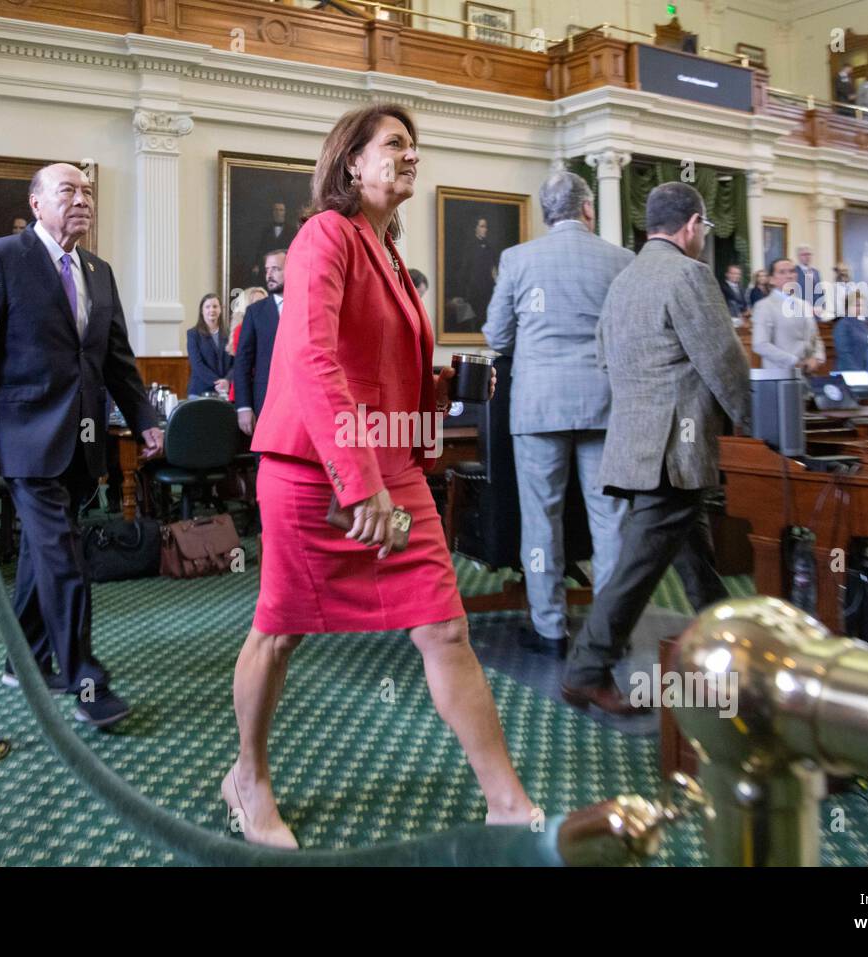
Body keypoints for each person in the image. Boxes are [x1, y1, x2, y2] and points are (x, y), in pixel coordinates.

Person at [225, 103, 535, 848]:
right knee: (279, 632)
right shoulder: (324, 235)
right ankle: (248, 774)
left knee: (447, 628)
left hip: (389, 471)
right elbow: (311, 357)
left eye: (415, 146)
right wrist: (356, 478)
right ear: (351, 162)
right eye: (396, 143)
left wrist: (405, 463)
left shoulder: (390, 252)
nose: (412, 156)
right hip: (315, 472)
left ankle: (508, 803)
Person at [0, 162, 163, 728]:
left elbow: (115, 358)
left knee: (43, 556)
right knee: (65, 555)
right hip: (22, 440)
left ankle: (24, 660)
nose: (81, 199)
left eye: (87, 190)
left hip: (82, 439)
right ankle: (85, 679)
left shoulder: (98, 269)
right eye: (67, 189)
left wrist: (144, 419)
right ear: (36, 203)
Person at [562, 182, 751, 714]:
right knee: (636, 568)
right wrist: (760, 426)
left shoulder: (625, 280)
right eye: (704, 229)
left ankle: (726, 642)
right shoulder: (689, 274)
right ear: (692, 225)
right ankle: (586, 671)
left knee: (694, 558)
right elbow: (723, 362)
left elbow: (605, 360)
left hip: (638, 443)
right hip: (675, 450)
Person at [483, 170, 633, 658]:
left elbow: (497, 336)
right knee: (610, 518)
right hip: (604, 404)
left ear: (547, 213)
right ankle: (610, 631)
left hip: (539, 405)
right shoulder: (620, 260)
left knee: (541, 519)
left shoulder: (518, 259)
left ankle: (549, 628)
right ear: (587, 209)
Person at [234, 251, 284, 436]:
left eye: (276, 269)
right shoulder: (256, 312)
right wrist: (244, 406)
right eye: (266, 270)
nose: (269, 274)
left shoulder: (307, 306)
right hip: (264, 401)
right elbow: (242, 363)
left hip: (300, 403)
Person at [752, 257, 826, 376]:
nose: (789, 276)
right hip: (780, 375)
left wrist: (817, 357)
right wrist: (795, 361)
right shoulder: (764, 306)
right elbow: (760, 345)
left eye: (792, 271)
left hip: (808, 374)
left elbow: (815, 337)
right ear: (771, 279)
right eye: (782, 272)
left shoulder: (805, 305)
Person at [187, 293, 232, 396]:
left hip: (225, 391)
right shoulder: (193, 334)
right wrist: (218, 382)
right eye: (207, 307)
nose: (212, 310)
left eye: (215, 306)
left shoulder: (230, 333)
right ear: (202, 311)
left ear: (220, 309)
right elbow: (197, 364)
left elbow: (236, 363)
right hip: (200, 391)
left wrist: (227, 380)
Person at [460, 216, 499, 321]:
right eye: (482, 226)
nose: (485, 229)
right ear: (475, 228)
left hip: (488, 288)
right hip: (475, 290)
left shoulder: (489, 247)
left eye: (485, 227)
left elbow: (494, 268)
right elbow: (466, 270)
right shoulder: (469, 246)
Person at [833, 288, 868, 374]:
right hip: (851, 374)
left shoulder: (865, 324)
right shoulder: (842, 325)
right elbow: (844, 353)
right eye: (857, 305)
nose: (860, 308)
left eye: (862, 306)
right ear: (848, 307)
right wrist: (857, 373)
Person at [251, 202, 297, 280]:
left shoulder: (292, 231)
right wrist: (256, 265)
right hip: (268, 267)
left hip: (285, 266)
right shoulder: (266, 231)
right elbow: (261, 248)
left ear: (285, 212)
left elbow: (295, 251)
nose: (278, 212)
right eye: (276, 210)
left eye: (281, 210)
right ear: (273, 212)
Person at [794, 244, 824, 311]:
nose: (807, 257)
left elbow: (820, 291)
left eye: (809, 254)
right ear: (798, 256)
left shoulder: (816, 272)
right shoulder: (794, 271)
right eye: (804, 254)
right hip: (800, 310)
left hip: (817, 311)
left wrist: (822, 306)